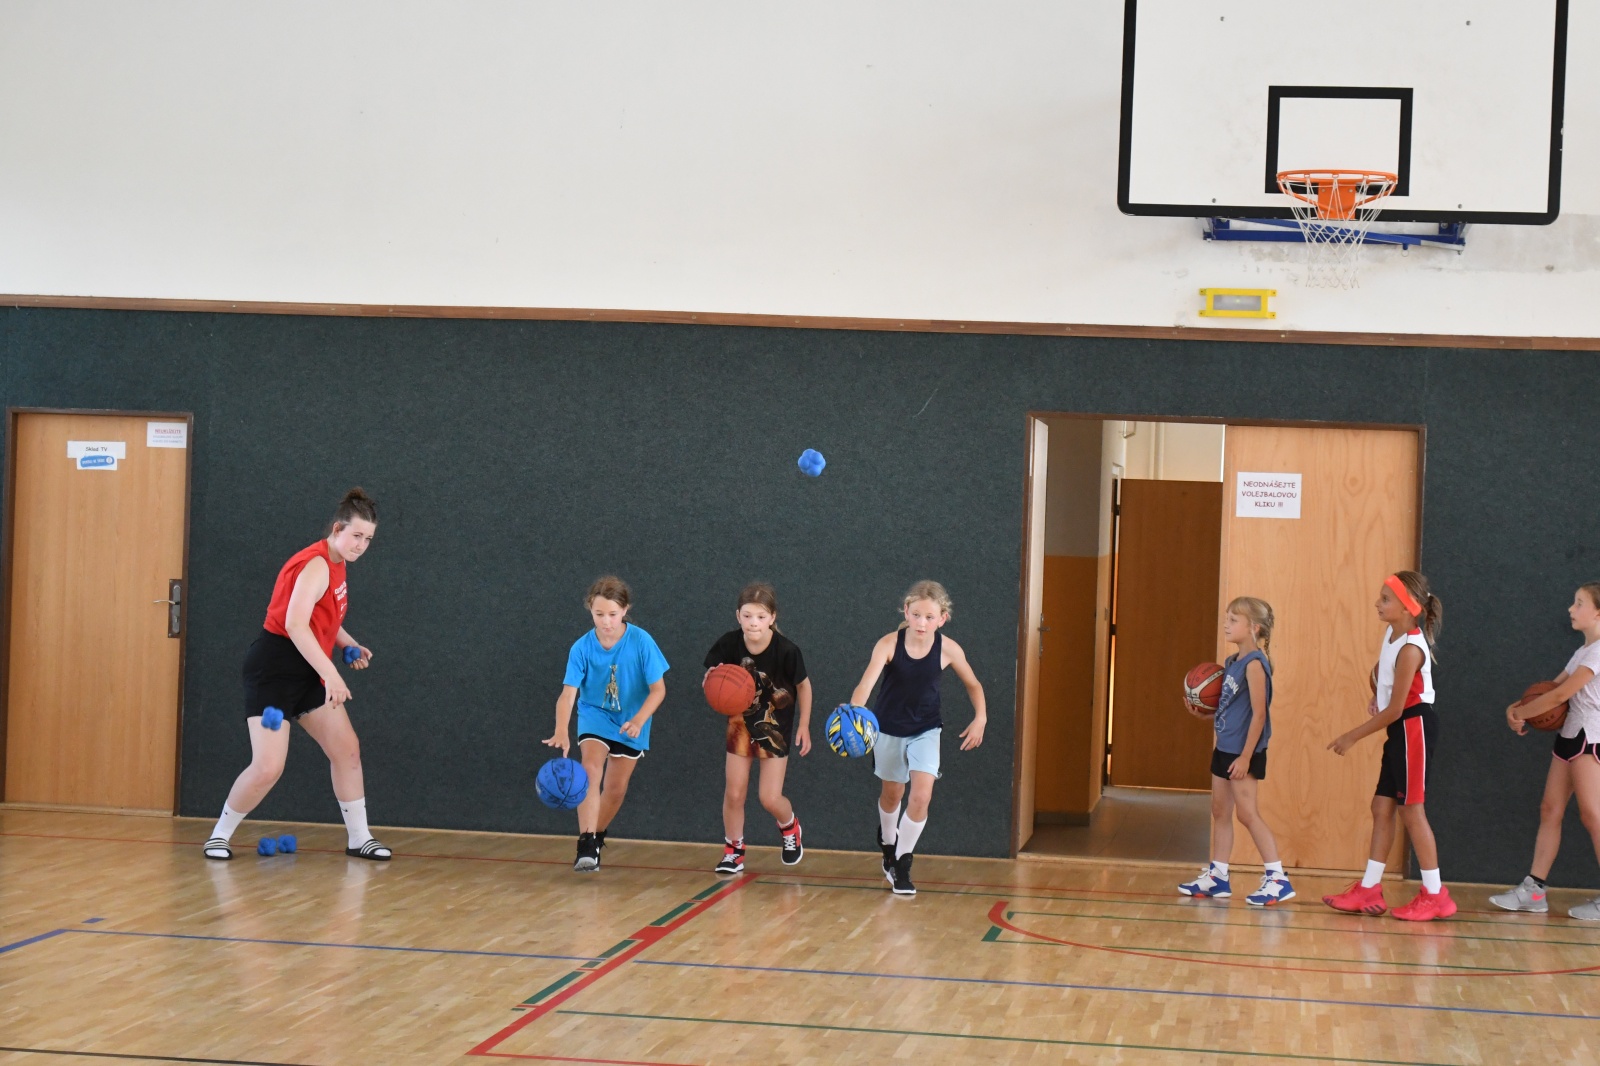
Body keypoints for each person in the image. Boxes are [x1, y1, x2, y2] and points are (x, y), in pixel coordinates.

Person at [204, 488, 388, 861]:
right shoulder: (316, 565)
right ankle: (219, 836)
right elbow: (295, 624)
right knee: (268, 766)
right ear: (337, 529)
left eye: (368, 539)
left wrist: (349, 643)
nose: (361, 545)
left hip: (308, 668)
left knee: (347, 750)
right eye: (356, 535)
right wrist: (331, 675)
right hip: (275, 669)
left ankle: (359, 838)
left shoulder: (338, 563)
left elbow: (324, 616)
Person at [1324, 571, 1452, 921]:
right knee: (1381, 807)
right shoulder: (1393, 634)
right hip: (1400, 728)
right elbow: (1387, 679)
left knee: (1412, 811)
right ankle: (1369, 888)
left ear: (1408, 607)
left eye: (1385, 599)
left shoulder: (1412, 648)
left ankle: (1435, 894)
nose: (1377, 604)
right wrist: (1376, 694)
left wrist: (1352, 735)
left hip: (1413, 726)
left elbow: (1397, 708)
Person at [849, 580, 986, 897]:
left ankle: (902, 863)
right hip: (888, 729)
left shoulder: (948, 649)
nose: (922, 623)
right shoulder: (888, 644)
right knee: (892, 795)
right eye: (916, 615)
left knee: (921, 796)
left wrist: (981, 717)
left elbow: (974, 684)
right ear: (906, 612)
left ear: (942, 618)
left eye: (929, 617)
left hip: (926, 730)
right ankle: (888, 843)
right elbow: (865, 686)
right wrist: (854, 711)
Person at [544, 576, 669, 872]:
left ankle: (597, 835)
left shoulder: (641, 641)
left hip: (632, 720)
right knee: (590, 768)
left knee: (615, 789)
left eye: (612, 614)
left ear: (625, 610)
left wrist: (639, 719)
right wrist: (561, 729)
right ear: (590, 609)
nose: (606, 621)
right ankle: (586, 842)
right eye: (599, 614)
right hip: (595, 715)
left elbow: (658, 690)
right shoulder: (581, 648)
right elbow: (567, 695)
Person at [1491, 582, 1600, 919]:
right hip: (1570, 736)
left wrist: (1523, 713)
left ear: (1598, 613)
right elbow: (1551, 689)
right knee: (1550, 809)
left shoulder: (1598, 652)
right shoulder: (1582, 651)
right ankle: (1534, 891)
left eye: (1579, 603)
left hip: (1590, 738)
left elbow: (1559, 697)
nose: (1571, 609)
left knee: (1593, 814)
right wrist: (1516, 708)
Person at [1178, 597, 1295, 906]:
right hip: (1225, 747)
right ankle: (1218, 877)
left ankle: (1278, 879)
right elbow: (1230, 708)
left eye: (1233, 620)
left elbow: (1259, 714)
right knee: (1220, 811)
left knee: (1247, 814)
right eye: (1226, 618)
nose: (1226, 624)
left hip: (1244, 752)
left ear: (1253, 628)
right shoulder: (1232, 662)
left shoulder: (1255, 665)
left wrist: (1245, 757)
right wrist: (1204, 715)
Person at [704, 583, 813, 874]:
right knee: (734, 793)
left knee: (769, 797)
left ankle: (789, 826)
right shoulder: (729, 644)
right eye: (748, 616)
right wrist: (710, 681)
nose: (754, 622)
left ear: (772, 618)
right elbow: (712, 677)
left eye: (761, 617)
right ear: (738, 615)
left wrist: (804, 724)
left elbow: (804, 686)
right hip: (740, 725)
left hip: (775, 725)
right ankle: (734, 851)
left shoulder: (787, 650)